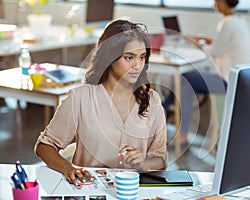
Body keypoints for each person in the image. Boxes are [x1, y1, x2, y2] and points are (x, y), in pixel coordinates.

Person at [34, 19, 168, 188]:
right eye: (129, 57)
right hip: (88, 190)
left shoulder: (152, 100)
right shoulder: (81, 98)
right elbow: (45, 146)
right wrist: (68, 168)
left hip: (133, 192)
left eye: (142, 57)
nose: (137, 65)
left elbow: (161, 159)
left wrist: (144, 164)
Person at [163, 0, 250, 144]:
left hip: (228, 81)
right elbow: (221, 44)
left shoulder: (228, 23)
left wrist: (191, 40)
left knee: (184, 77)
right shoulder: (239, 20)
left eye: (217, 1)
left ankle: (164, 108)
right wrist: (200, 39)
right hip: (236, 79)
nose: (214, 4)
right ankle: (180, 131)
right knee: (185, 85)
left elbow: (214, 52)